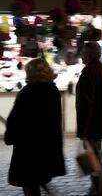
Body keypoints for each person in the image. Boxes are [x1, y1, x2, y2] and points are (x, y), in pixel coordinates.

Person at [4, 58, 66, 196]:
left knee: (29, 185)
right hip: (46, 146)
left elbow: (16, 118)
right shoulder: (53, 90)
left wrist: (10, 136)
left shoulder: (28, 91)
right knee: (38, 180)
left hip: (28, 147)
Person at [76, 42, 102, 196]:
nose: (81, 55)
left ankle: (99, 189)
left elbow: (86, 104)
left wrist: (83, 130)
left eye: (83, 52)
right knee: (95, 154)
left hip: (92, 123)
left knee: (93, 156)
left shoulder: (88, 73)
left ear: (89, 54)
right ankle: (99, 186)